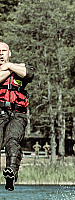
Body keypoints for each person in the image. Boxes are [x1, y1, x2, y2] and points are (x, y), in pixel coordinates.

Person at [0, 42, 34, 191]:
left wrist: (8, 66)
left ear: (9, 53)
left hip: (17, 114)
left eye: (4, 51)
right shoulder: (16, 68)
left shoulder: (20, 68)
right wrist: (13, 68)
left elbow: (29, 73)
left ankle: (11, 174)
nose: (1, 53)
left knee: (12, 141)